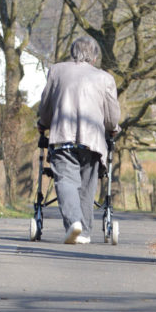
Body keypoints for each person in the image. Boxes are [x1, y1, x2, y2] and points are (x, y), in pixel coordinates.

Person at [37, 36, 121, 244]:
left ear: (73, 53)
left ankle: (74, 222)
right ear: (94, 57)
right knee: (86, 186)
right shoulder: (105, 78)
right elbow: (111, 116)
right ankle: (83, 233)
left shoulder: (56, 71)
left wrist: (43, 123)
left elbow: (46, 105)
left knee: (66, 180)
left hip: (62, 137)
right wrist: (112, 129)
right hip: (92, 141)